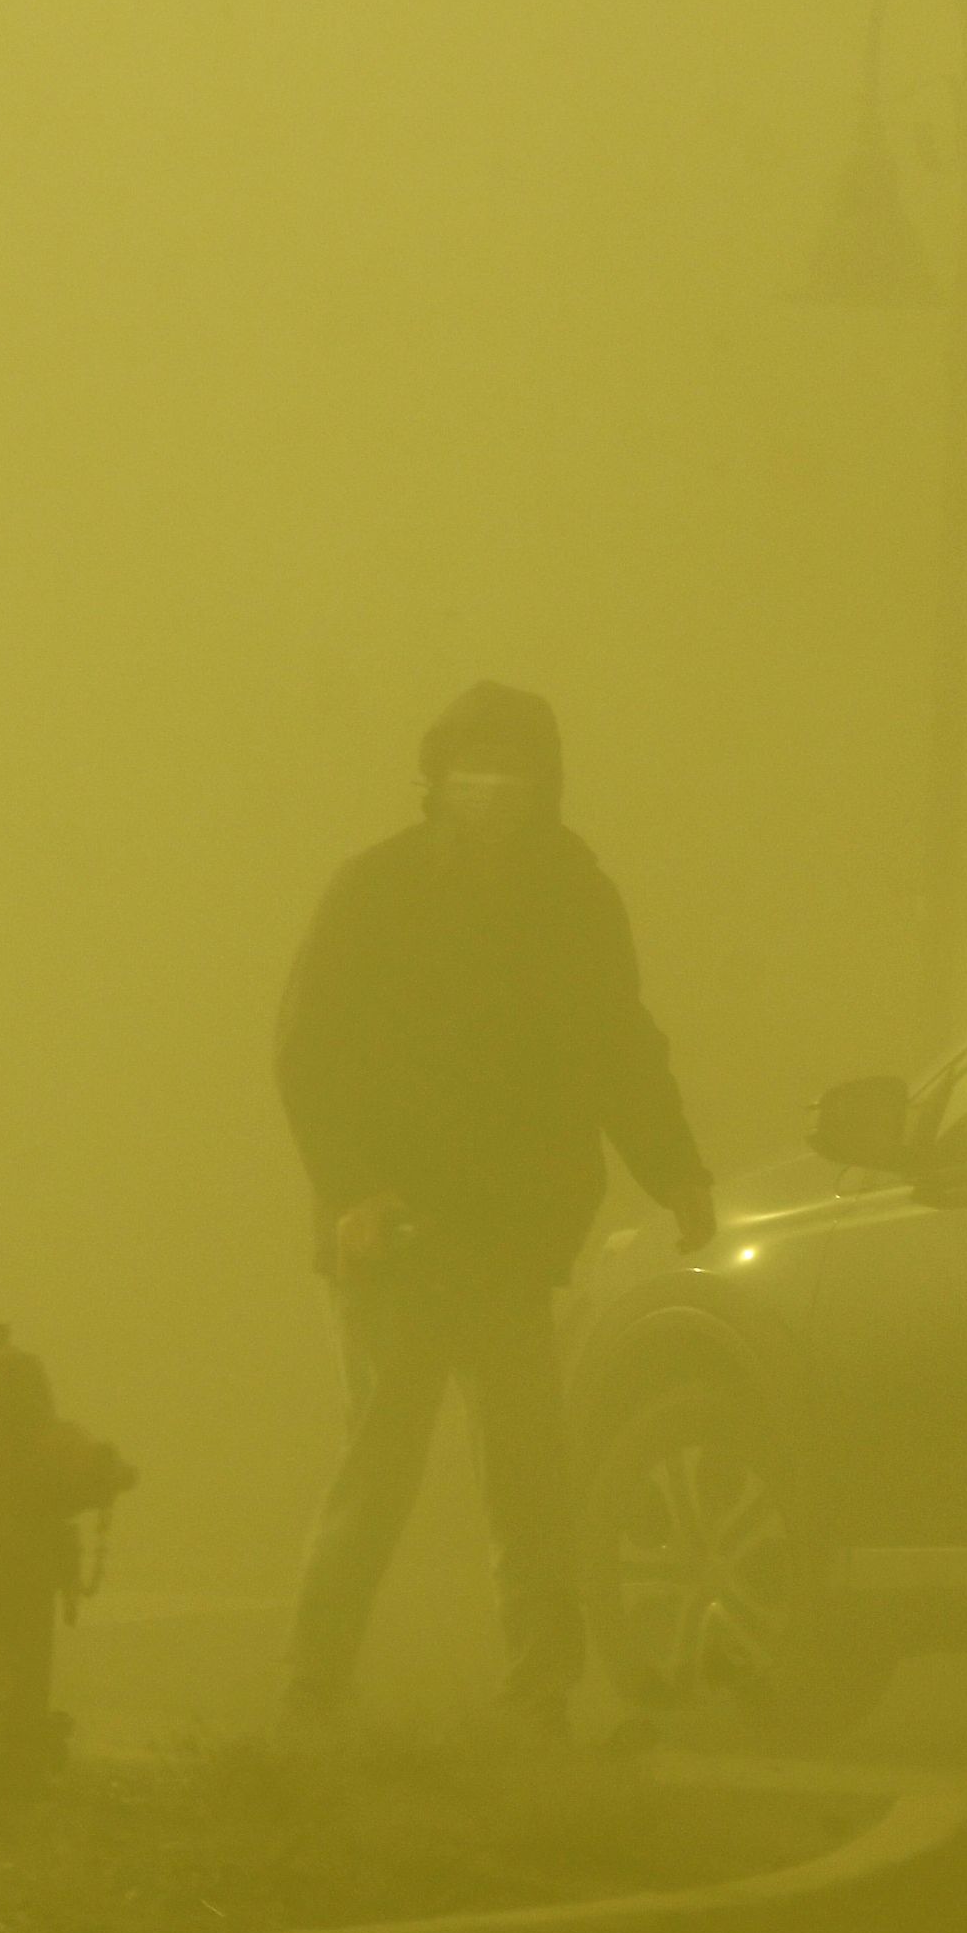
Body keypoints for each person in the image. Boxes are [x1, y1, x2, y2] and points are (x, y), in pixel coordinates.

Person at [275, 681, 713, 1732]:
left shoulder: (575, 894)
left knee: (530, 1481)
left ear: (547, 779)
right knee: (379, 1473)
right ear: (434, 772)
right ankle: (311, 1695)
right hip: (394, 1236)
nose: (493, 785)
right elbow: (309, 1055)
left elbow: (620, 1044)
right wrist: (352, 1195)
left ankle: (541, 1699)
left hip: (516, 1240)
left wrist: (679, 1172)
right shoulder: (375, 889)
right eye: (472, 762)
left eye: (516, 763)